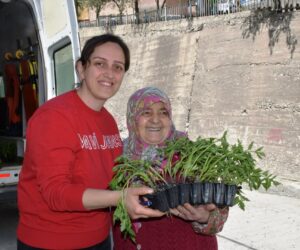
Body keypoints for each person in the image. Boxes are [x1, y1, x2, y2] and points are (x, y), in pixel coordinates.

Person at [17, 34, 164, 250]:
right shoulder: (54, 117)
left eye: (118, 67)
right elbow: (56, 193)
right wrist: (120, 198)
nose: (109, 73)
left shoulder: (107, 121)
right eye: (99, 64)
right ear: (81, 68)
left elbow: (113, 179)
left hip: (99, 239)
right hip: (52, 242)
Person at [113, 87, 229, 250]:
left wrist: (205, 217)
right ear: (133, 117)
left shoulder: (192, 154)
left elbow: (220, 213)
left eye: (163, 112)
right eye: (146, 112)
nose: (156, 120)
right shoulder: (116, 157)